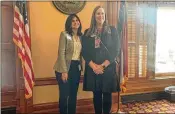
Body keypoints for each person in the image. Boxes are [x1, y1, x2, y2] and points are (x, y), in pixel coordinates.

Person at [82, 6, 121, 114]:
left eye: (102, 13)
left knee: (107, 94)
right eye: (98, 14)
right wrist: (94, 66)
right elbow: (85, 52)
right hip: (93, 68)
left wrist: (103, 66)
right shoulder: (87, 32)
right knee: (97, 95)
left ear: (105, 16)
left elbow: (115, 50)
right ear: (94, 16)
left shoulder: (112, 30)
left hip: (108, 68)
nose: (100, 16)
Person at [53, 14, 83, 114]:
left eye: (77, 20)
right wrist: (64, 71)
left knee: (73, 95)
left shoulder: (81, 37)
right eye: (73, 21)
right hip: (64, 68)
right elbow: (61, 53)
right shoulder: (64, 34)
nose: (76, 22)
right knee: (64, 96)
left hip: (76, 68)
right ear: (69, 24)